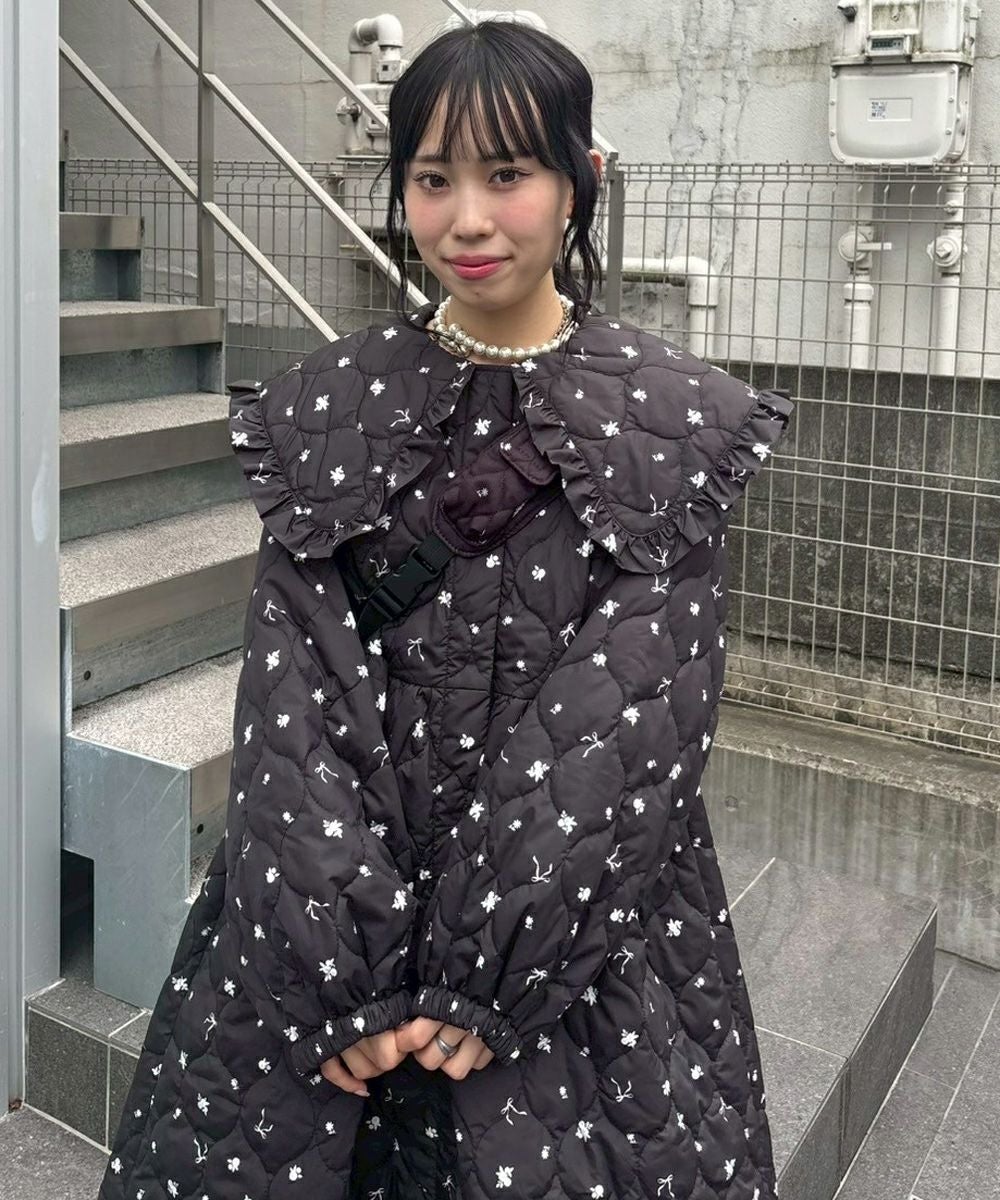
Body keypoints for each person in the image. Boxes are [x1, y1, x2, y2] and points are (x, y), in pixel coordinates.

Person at [99, 19, 793, 1200]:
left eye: (507, 174)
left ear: (581, 180)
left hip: (574, 948)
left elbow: (637, 717)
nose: (467, 219)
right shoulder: (327, 407)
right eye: (432, 179)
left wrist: (493, 971)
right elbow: (292, 698)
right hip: (327, 959)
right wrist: (340, 973)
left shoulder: (672, 423)